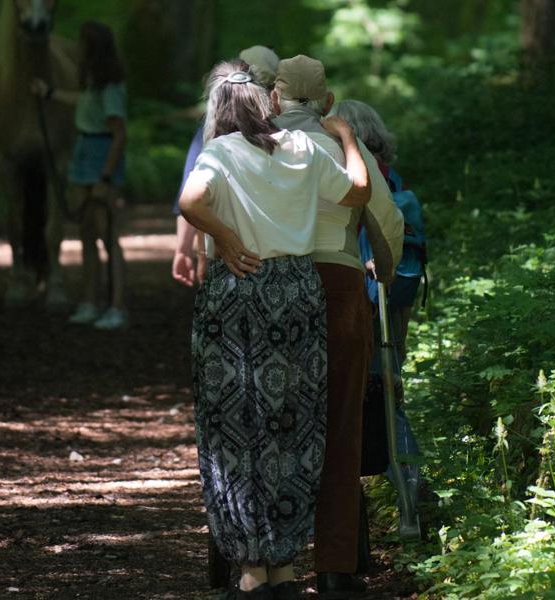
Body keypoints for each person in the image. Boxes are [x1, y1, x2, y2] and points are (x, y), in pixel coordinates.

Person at [178, 60, 371, 600]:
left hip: (239, 291)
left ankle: (251, 570)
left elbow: (190, 201)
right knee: (295, 421)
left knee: (236, 425)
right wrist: (347, 136)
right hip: (297, 290)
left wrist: (225, 237)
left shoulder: (220, 151)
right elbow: (357, 192)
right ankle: (284, 567)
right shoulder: (303, 148)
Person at [270, 56, 404, 599]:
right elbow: (387, 222)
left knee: (274, 422)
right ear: (326, 103)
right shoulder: (343, 147)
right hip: (340, 285)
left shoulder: (253, 146)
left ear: (274, 100)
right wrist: (387, 277)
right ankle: (334, 566)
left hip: (273, 288)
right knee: (341, 424)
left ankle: (270, 558)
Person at [334, 98, 425, 509]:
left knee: (374, 398)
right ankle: (409, 482)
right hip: (392, 306)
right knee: (387, 393)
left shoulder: (353, 182)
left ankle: (407, 486)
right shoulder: (397, 182)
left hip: (363, 306)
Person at [32, 21, 128, 330]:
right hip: (85, 152)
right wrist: (50, 94)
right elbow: (82, 102)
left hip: (100, 156)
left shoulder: (112, 86)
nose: (76, 48)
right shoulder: (92, 83)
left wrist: (106, 176)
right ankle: (89, 301)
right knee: (86, 235)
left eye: (82, 43)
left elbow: (118, 134)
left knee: (107, 236)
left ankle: (116, 306)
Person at [172, 46, 280, 287]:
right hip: (284, 267)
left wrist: (188, 250)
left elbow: (190, 197)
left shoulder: (212, 133)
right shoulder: (289, 135)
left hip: (226, 261)